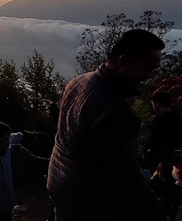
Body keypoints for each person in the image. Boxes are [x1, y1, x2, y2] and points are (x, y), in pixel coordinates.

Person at [47, 29, 168, 221]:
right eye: (147, 69)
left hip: (59, 183)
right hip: (89, 202)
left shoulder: (78, 82)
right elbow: (126, 177)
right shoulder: (115, 109)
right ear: (123, 62)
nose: (149, 77)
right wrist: (157, 215)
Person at [143, 89, 182, 172]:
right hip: (173, 157)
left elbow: (153, 140)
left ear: (158, 103)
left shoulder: (158, 119)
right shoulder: (178, 117)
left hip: (158, 159)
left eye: (153, 104)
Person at [8, 132, 48, 213]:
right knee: (16, 188)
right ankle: (17, 204)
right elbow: (34, 158)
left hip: (10, 173)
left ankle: (19, 204)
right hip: (20, 173)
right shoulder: (23, 150)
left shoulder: (8, 150)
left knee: (14, 188)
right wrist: (47, 160)